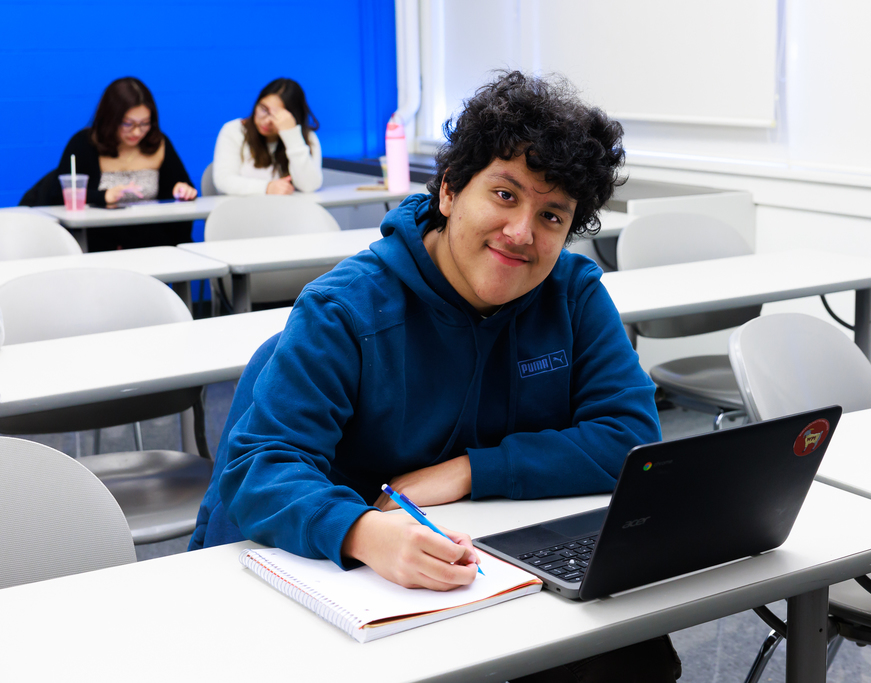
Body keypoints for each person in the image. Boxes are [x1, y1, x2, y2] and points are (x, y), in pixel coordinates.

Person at [194, 71, 680, 681]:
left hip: (471, 561)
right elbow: (259, 467)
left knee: (632, 659)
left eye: (552, 215)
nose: (522, 233)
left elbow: (629, 436)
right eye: (505, 195)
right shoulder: (346, 309)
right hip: (326, 577)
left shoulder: (574, 296)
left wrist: (463, 473)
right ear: (449, 191)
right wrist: (362, 531)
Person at [56, 77, 197, 251]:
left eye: (145, 123)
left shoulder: (159, 143)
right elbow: (61, 193)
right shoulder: (84, 143)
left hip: (152, 242)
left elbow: (179, 186)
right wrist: (104, 197)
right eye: (128, 124)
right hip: (99, 241)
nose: (137, 131)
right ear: (110, 118)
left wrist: (182, 190)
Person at [212, 78, 322, 195]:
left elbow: (309, 186)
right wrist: (267, 188)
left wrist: (291, 135)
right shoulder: (234, 130)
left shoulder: (305, 137)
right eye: (264, 109)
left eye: (278, 116)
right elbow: (223, 180)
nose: (267, 121)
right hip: (244, 209)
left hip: (289, 210)